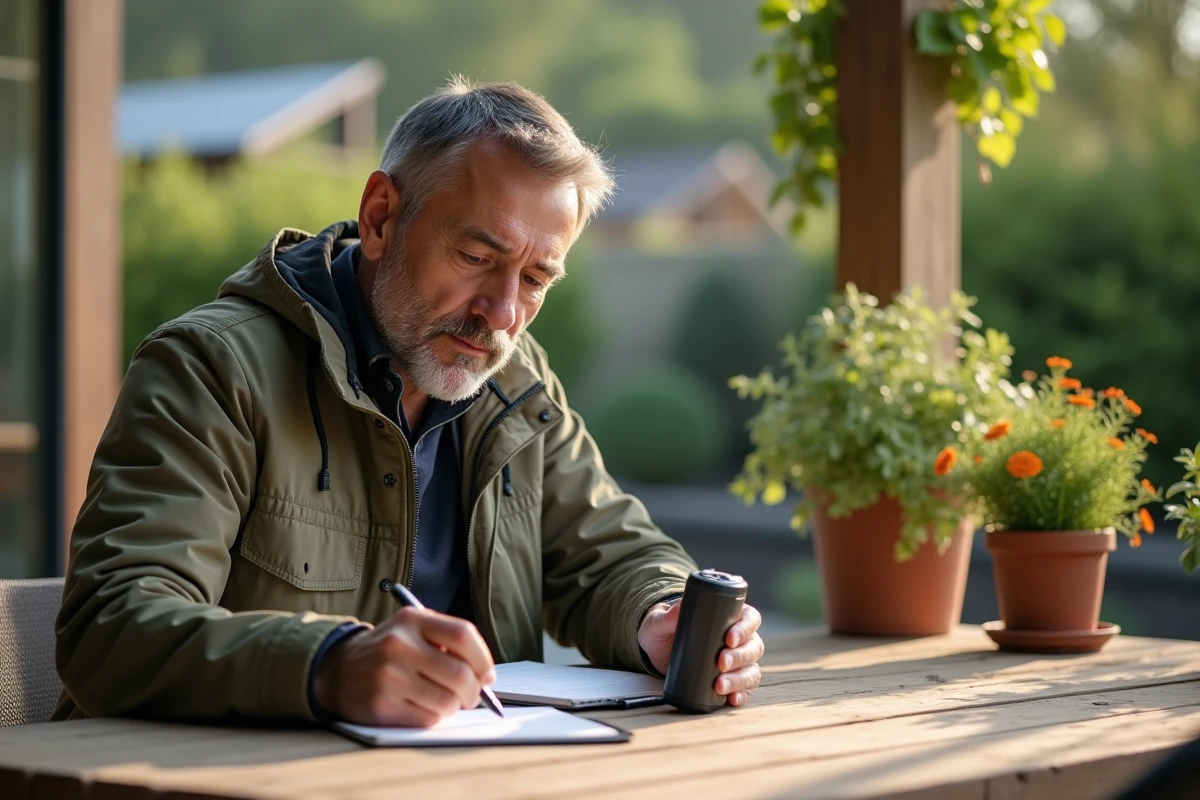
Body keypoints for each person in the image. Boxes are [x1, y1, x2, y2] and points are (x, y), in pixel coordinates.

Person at [54, 79, 765, 727]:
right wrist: (328, 665)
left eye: (537, 278)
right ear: (381, 216)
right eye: (478, 258)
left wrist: (660, 616)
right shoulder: (213, 367)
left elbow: (611, 554)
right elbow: (111, 625)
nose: (502, 312)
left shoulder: (518, 385)